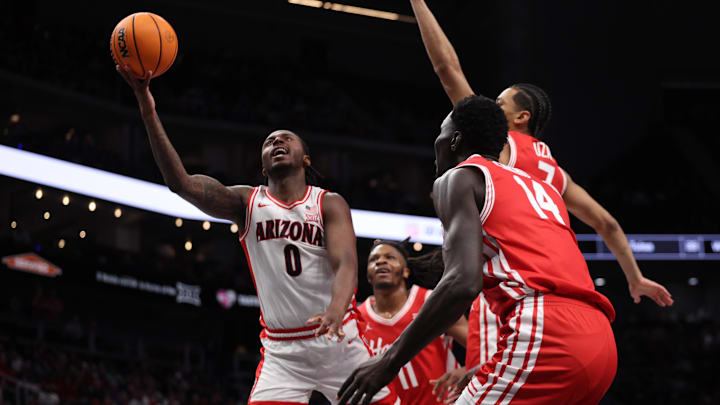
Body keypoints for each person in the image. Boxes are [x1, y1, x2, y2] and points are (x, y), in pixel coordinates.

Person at [116, 66, 398, 405]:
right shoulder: (246, 202)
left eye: (285, 138)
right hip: (283, 351)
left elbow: (346, 263)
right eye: (269, 142)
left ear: (305, 159)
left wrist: (337, 310)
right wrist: (147, 108)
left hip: (338, 339)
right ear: (263, 166)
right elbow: (182, 184)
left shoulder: (329, 202)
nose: (277, 141)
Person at [338, 95, 617, 405]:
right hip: (600, 340)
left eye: (440, 135)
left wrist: (387, 363)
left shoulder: (459, 177)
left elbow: (462, 283)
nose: (436, 146)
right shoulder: (545, 189)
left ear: (455, 140)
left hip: (546, 333)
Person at [408, 0, 673, 308]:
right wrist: (635, 277)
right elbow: (607, 224)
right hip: (555, 289)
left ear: (521, 117)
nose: (491, 107)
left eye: (499, 103)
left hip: (510, 288)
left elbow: (446, 69)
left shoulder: (498, 140)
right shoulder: (557, 174)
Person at [359, 239, 467, 404]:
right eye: (374, 259)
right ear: (368, 275)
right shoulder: (358, 318)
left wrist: (468, 369)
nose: (381, 261)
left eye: (390, 257)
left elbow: (479, 345)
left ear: (406, 272)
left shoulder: (431, 301)